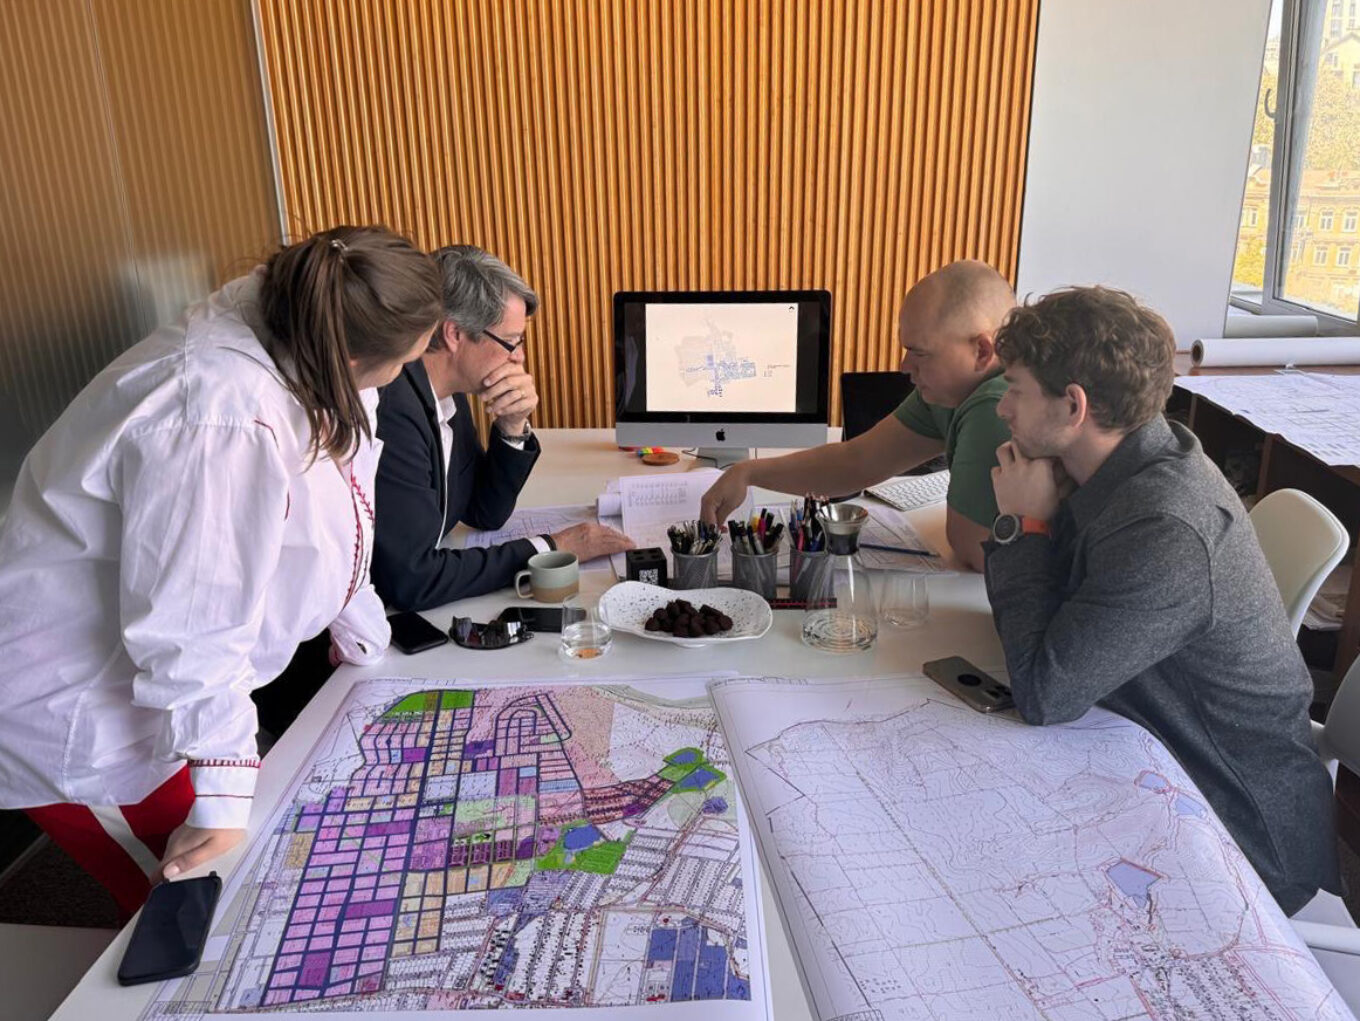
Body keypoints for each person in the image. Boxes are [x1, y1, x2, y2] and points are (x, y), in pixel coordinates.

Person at [0, 226, 443, 916]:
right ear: (352, 356)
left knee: (250, 880)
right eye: (405, 362)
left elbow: (342, 489)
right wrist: (224, 798)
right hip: (84, 710)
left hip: (158, 684)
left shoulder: (307, 327)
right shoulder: (216, 417)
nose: (406, 374)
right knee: (210, 907)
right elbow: (191, 624)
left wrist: (360, 627)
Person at [984, 285, 1341, 914]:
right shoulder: (1117, 462)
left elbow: (1045, 692)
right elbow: (1046, 624)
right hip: (1151, 754)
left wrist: (1025, 526)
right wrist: (1035, 520)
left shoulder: (1165, 525)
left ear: (1074, 405)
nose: (1002, 409)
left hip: (1239, 831)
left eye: (1015, 389)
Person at [699, 260, 1015, 570]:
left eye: (919, 353)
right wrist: (746, 473)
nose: (905, 366)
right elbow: (857, 461)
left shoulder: (996, 404)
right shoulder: (950, 391)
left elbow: (971, 547)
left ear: (982, 351)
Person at [372, 245, 631, 611]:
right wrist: (551, 548)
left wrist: (512, 427)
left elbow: (483, 512)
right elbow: (413, 579)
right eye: (511, 341)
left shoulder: (450, 388)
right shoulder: (392, 411)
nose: (519, 357)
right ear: (454, 334)